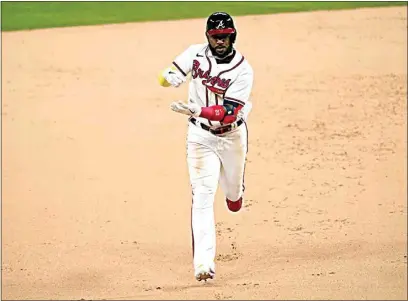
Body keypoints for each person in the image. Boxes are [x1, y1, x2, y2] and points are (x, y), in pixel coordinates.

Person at [158, 12, 254, 282]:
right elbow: (167, 75)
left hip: (232, 136)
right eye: (215, 36)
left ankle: (235, 195)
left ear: (232, 35)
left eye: (225, 36)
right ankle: (203, 263)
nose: (220, 40)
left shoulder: (243, 70)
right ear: (208, 37)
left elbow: (229, 112)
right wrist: (169, 77)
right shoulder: (195, 54)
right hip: (199, 137)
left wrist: (197, 108)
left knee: (233, 196)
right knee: (202, 194)